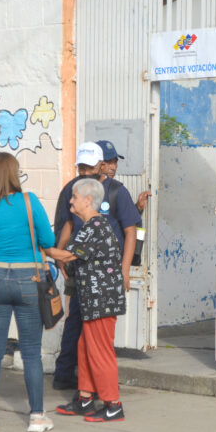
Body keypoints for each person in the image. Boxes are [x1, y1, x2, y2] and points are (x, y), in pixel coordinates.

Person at [0, 152, 55, 432]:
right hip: (27, 277)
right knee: (31, 352)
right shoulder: (29, 202)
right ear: (13, 174)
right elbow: (48, 240)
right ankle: (37, 417)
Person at [52, 142, 141, 391]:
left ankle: (103, 393)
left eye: (88, 166)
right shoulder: (73, 188)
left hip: (105, 275)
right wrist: (60, 253)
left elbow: (130, 232)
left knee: (98, 336)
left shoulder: (117, 192)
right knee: (75, 324)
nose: (84, 170)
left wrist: (124, 271)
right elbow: (68, 223)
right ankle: (68, 377)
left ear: (101, 165)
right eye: (80, 166)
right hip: (78, 269)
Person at [45, 178, 126, 422]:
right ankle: (86, 398)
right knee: (85, 346)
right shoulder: (91, 225)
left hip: (102, 300)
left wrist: (39, 249)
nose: (70, 201)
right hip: (93, 299)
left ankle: (113, 404)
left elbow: (67, 255)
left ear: (88, 200)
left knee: (100, 351)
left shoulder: (95, 226)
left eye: (74, 197)